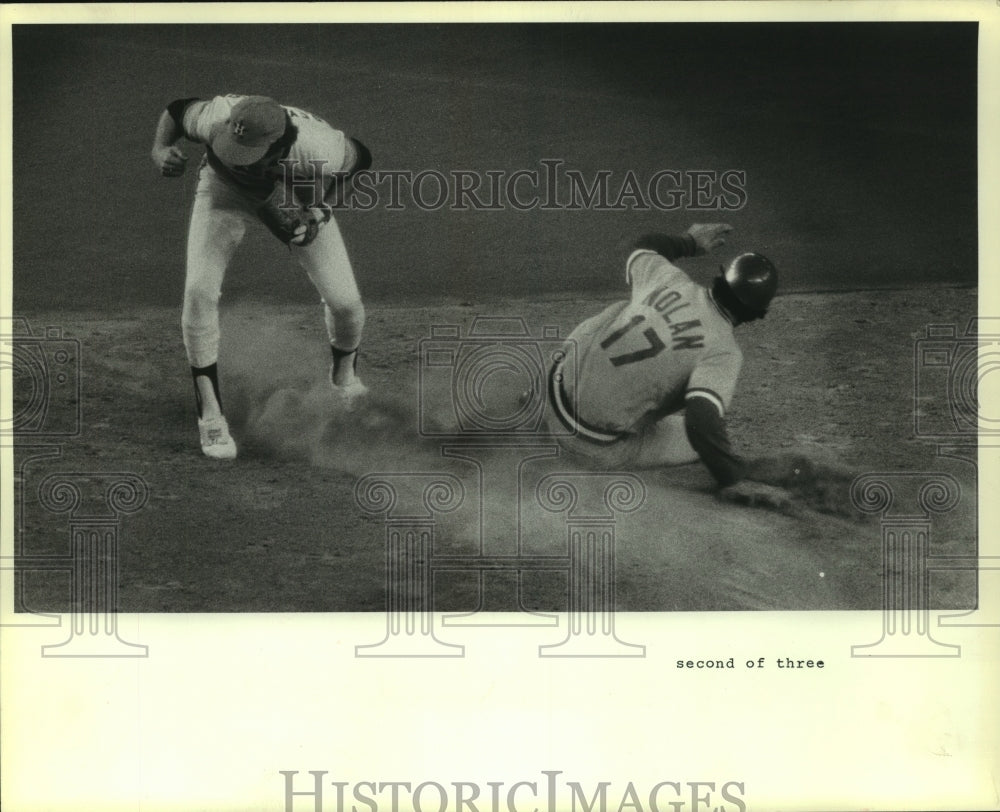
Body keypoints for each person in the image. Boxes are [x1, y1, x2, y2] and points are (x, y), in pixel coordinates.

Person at [150, 93, 371, 459]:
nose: (239, 154)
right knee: (198, 291)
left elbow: (360, 159)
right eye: (233, 145)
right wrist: (160, 149)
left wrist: (319, 211)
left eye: (249, 151)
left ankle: (345, 381)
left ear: (280, 146)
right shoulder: (216, 116)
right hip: (224, 189)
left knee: (346, 303)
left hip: (294, 192)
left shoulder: (319, 147)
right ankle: (210, 414)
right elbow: (175, 111)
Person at [546, 223, 786, 504]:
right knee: (696, 443)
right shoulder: (723, 351)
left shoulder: (669, 279)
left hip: (550, 390)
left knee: (611, 316)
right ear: (758, 314)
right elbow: (702, 422)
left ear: (720, 278)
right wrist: (731, 477)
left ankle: (529, 405)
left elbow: (643, 245)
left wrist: (690, 242)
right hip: (585, 446)